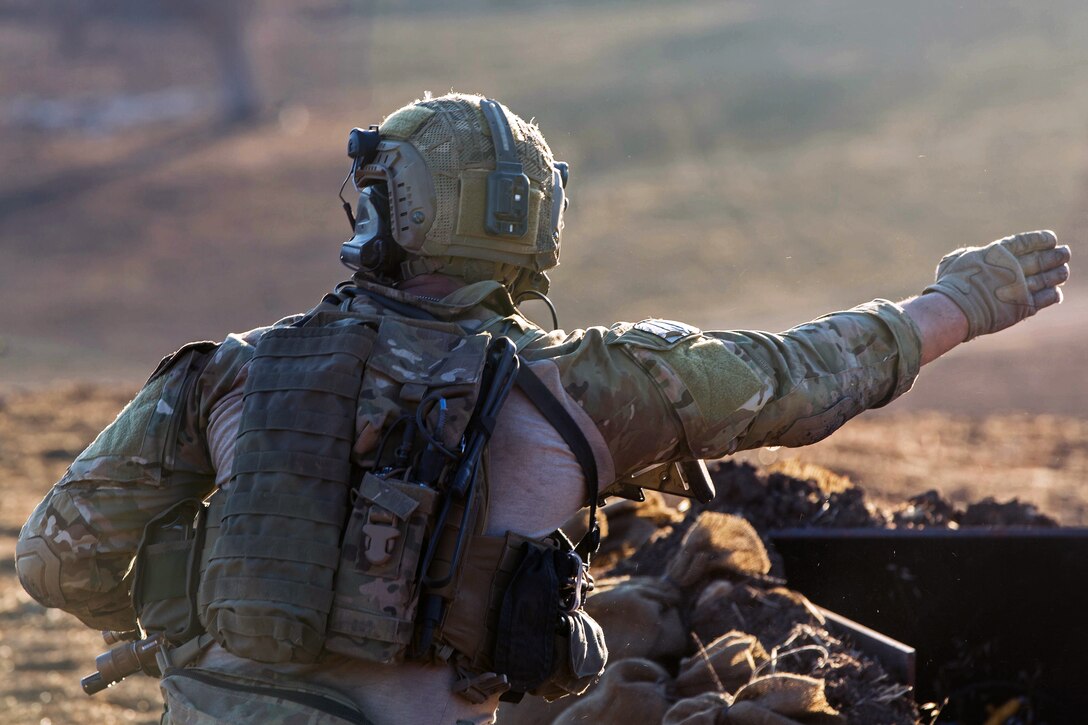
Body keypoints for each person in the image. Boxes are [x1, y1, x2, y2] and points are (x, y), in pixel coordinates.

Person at [15, 92, 1071, 725]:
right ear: (534, 230)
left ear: (383, 209)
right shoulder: (592, 383)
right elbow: (798, 375)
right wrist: (955, 305)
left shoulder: (225, 373)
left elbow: (57, 555)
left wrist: (163, 623)